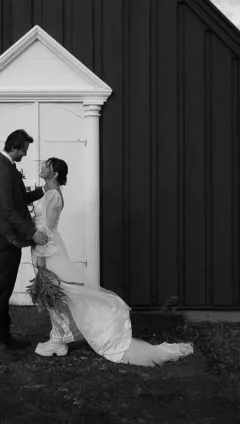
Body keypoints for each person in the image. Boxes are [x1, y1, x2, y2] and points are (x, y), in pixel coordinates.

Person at [32, 157, 195, 366]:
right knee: (57, 293)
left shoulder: (53, 195)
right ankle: (59, 338)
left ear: (55, 174)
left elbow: (45, 229)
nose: (43, 167)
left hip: (48, 250)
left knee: (60, 291)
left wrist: (41, 256)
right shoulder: (48, 193)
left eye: (47, 166)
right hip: (47, 248)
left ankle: (60, 339)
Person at [0, 128, 50, 360]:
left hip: (9, 237)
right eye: (23, 150)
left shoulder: (8, 167)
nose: (25, 154)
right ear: (14, 147)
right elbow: (9, 210)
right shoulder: (1, 170)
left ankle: (5, 338)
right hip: (4, 238)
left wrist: (44, 190)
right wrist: (32, 234)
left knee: (6, 289)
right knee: (1, 291)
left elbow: (19, 199)